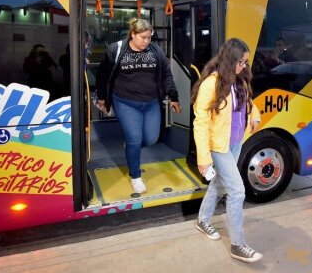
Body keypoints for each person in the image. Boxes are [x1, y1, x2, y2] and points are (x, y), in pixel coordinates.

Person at [191, 38, 263, 263]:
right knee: (237, 191)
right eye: (241, 62)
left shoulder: (239, 78)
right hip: (218, 146)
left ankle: (203, 220)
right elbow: (200, 123)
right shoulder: (210, 84)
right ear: (230, 60)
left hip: (235, 142)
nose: (244, 66)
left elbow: (247, 102)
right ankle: (238, 245)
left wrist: (254, 115)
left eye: (246, 62)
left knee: (219, 184)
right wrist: (203, 158)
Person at [95, 18, 181, 194]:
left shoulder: (155, 50)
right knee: (134, 138)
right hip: (125, 102)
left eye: (149, 37)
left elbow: (166, 74)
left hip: (151, 103)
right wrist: (102, 97)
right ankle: (135, 176)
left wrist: (173, 96)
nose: (147, 41)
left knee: (151, 139)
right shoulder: (116, 49)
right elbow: (103, 75)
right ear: (133, 34)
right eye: (143, 37)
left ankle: (131, 147)